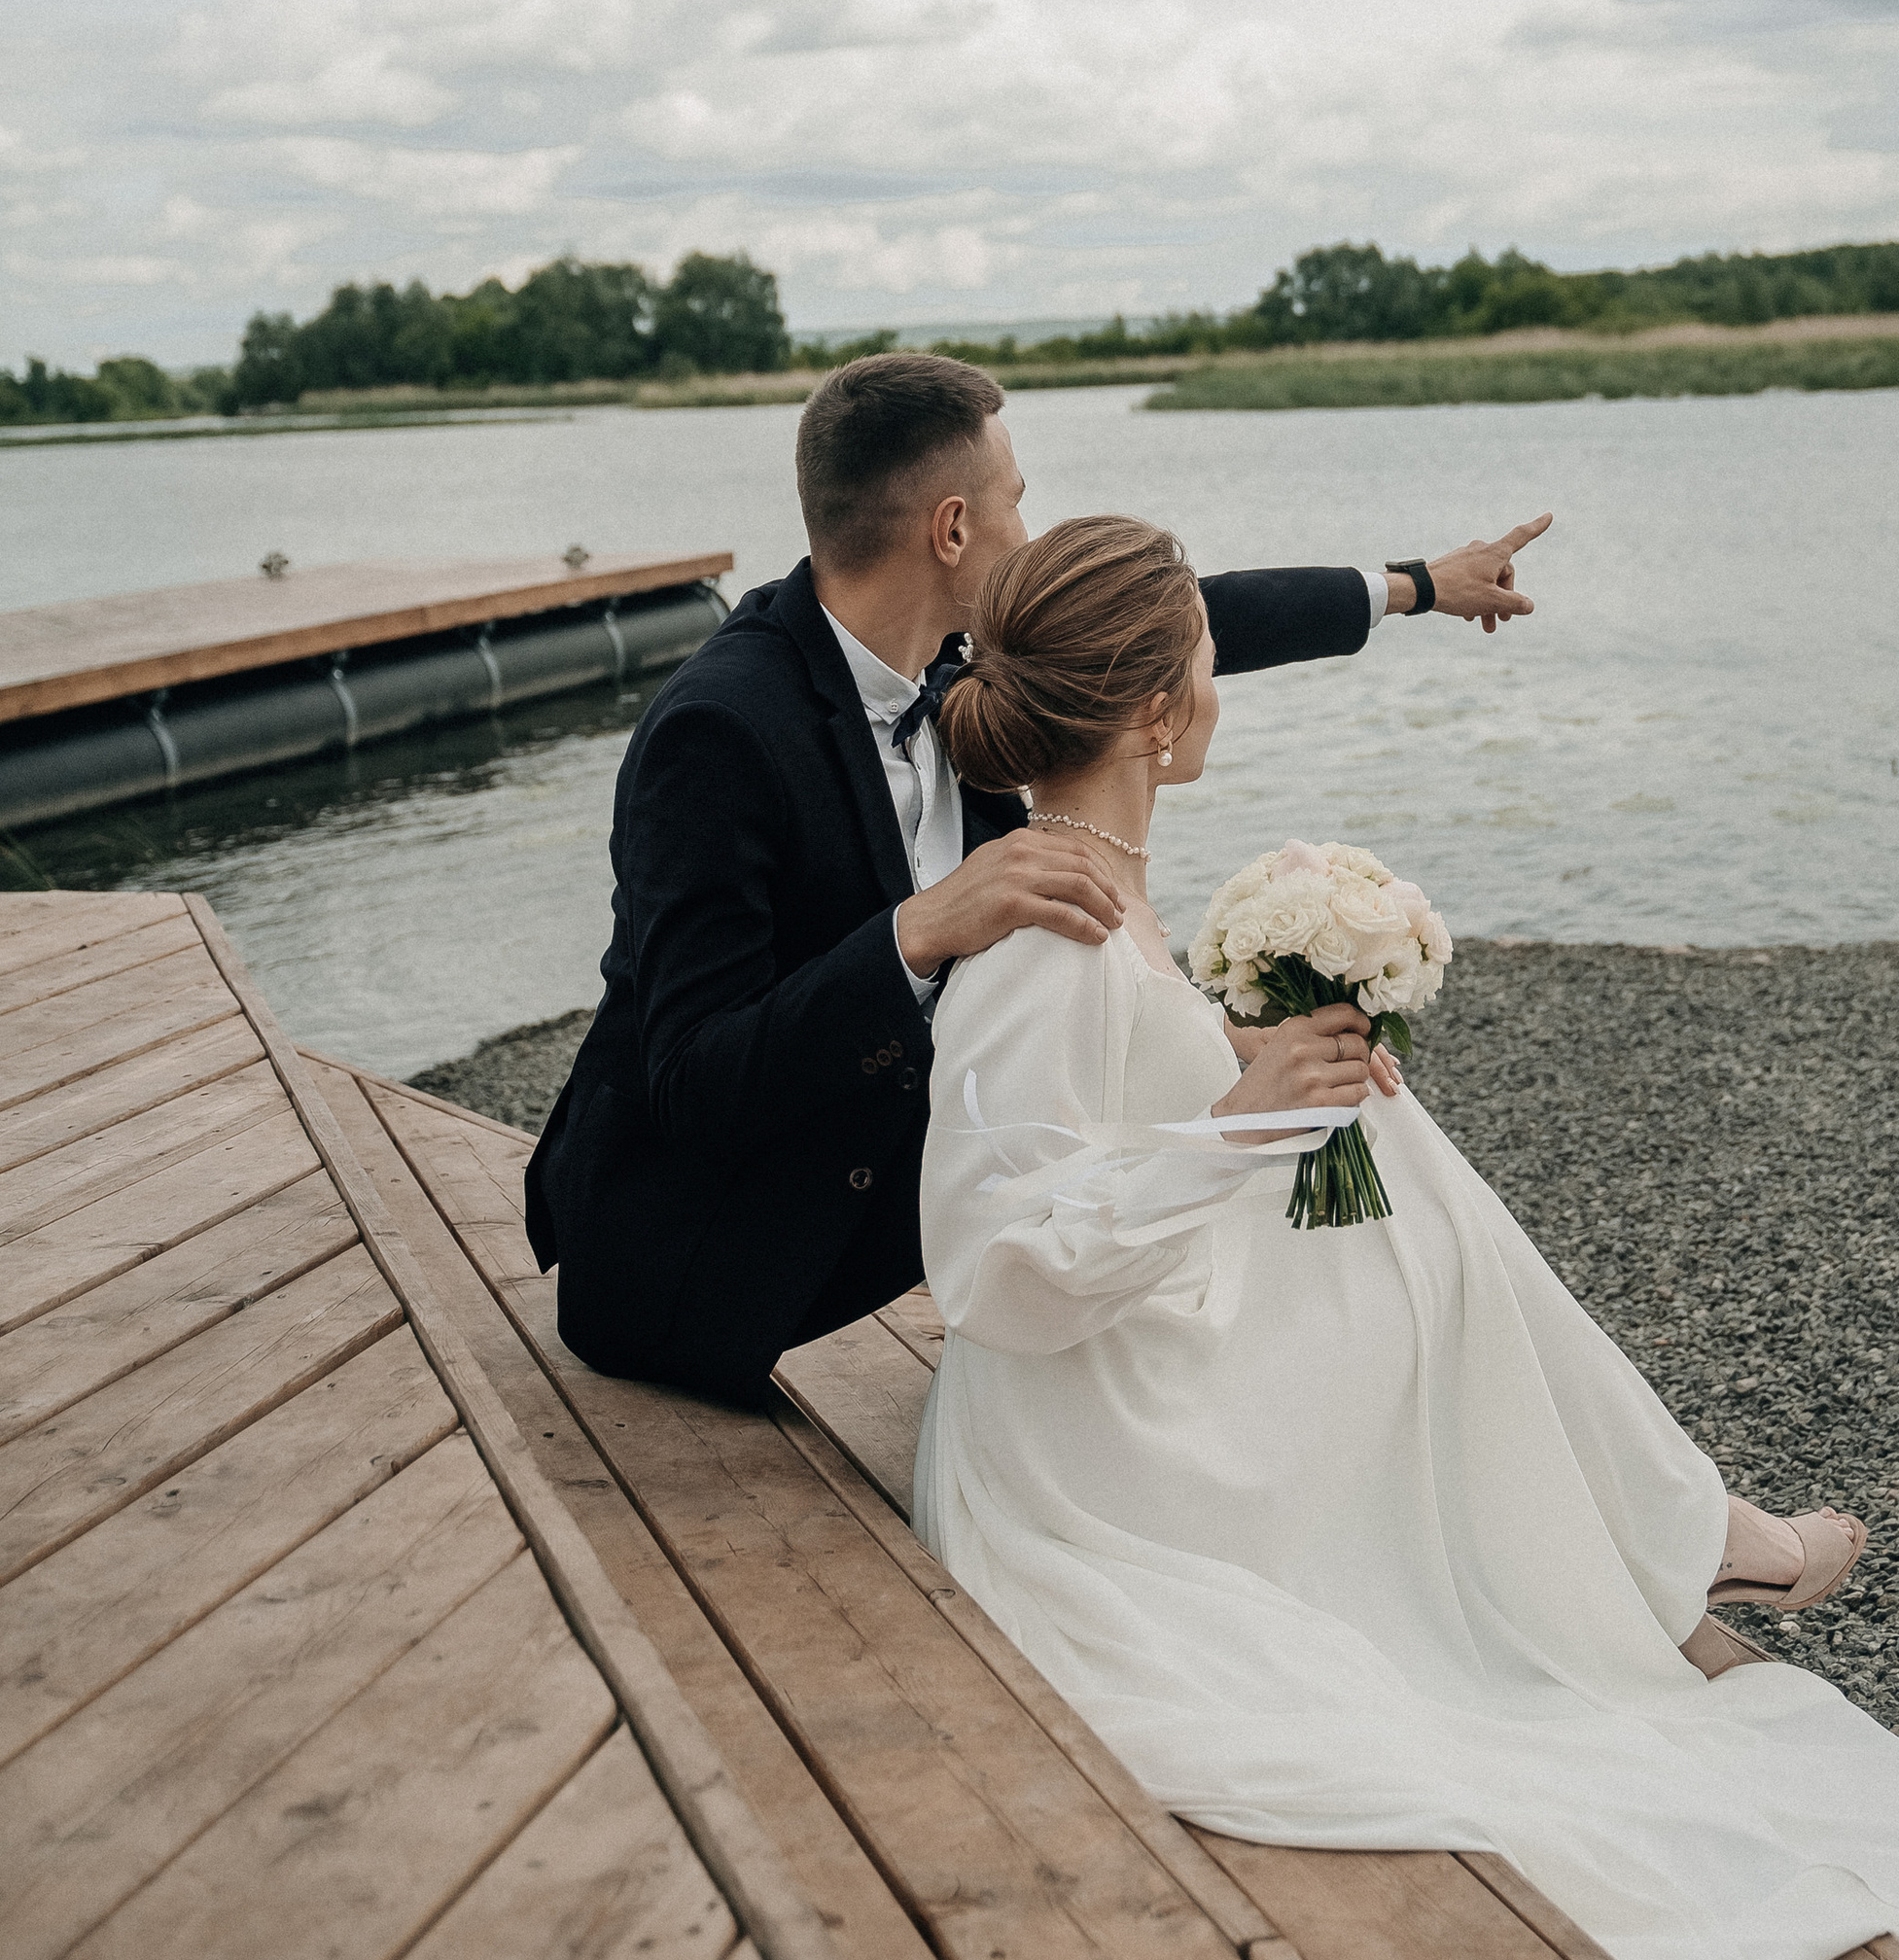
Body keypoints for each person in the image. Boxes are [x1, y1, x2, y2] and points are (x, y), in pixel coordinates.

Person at [915, 515, 1899, 1960]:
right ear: (1153, 713)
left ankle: (1680, 1534)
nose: (1218, 679)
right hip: (1107, 1441)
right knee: (1404, 1205)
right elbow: (989, 1269)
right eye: (1201, 655)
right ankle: (1693, 1540)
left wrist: (1256, 1067)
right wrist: (1241, 1122)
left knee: (1389, 1141)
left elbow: (1116, 1119)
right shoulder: (1041, 940)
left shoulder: (1092, 893)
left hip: (1146, 1334)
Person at [523, 349, 1551, 1406]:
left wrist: (1417, 587)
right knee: (1241, 1192)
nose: (1031, 525)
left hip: (923, 1194)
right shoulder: (720, 731)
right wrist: (917, 933)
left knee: (1327, 1138)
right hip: (702, 1264)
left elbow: (1175, 625)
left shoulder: (955, 663)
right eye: (1018, 500)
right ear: (954, 529)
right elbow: (692, 1080)